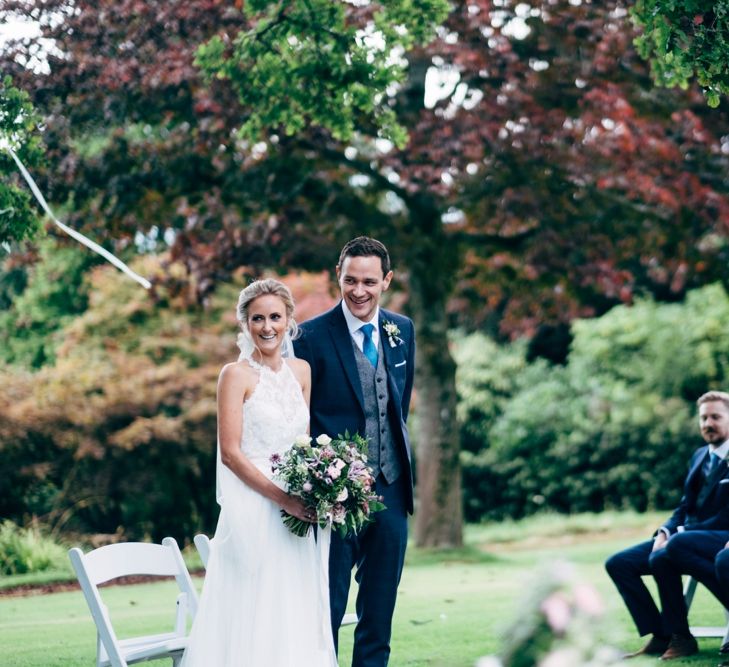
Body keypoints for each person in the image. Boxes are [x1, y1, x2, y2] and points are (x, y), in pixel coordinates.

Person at [181, 279, 336, 667]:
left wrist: (316, 489)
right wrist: (284, 500)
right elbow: (231, 454)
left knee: (292, 606)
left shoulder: (301, 371)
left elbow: (303, 445)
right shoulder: (235, 375)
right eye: (257, 319)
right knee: (254, 608)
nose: (267, 327)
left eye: (275, 317)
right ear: (244, 323)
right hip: (253, 508)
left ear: (289, 321)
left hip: (296, 510)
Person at [293, 236, 416, 667]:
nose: (358, 291)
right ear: (338, 277)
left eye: (368, 281)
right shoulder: (308, 337)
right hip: (335, 501)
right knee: (325, 609)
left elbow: (397, 404)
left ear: (386, 280)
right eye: (350, 280)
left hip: (393, 491)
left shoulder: (403, 331)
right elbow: (299, 420)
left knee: (378, 614)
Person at [605, 390, 729, 661]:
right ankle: (665, 635)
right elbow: (684, 506)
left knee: (670, 550)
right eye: (703, 418)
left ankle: (680, 636)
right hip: (683, 539)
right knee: (618, 563)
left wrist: (679, 534)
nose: (708, 424)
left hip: (721, 537)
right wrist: (665, 531)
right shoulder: (699, 456)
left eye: (716, 417)